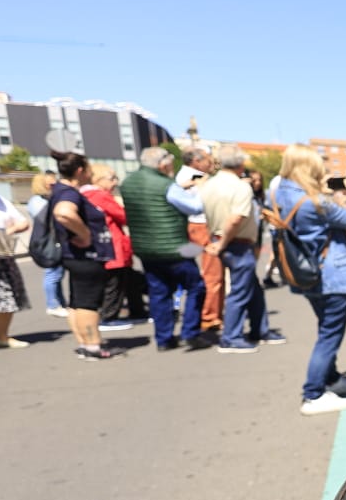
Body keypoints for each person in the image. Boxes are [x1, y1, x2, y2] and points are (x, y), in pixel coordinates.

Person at [271, 143, 346, 414]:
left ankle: (331, 379)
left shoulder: (279, 195)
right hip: (333, 275)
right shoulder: (315, 202)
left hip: (307, 274)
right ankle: (313, 393)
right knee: (329, 335)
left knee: (325, 329)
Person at [121, 146, 212, 352]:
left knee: (159, 292)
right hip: (173, 247)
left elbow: (154, 201)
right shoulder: (166, 185)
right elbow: (195, 207)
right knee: (196, 286)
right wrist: (202, 188)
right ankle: (190, 332)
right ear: (163, 164)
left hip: (146, 248)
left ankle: (164, 338)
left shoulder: (129, 183)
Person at [201, 144, 282, 353]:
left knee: (252, 289)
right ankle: (231, 337)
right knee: (239, 292)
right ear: (240, 164)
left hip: (224, 239)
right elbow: (236, 218)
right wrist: (223, 242)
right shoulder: (240, 187)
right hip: (235, 243)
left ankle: (259, 329)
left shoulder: (209, 184)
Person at [49, 150, 124, 360]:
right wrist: (86, 235)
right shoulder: (69, 193)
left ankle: (84, 343)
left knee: (77, 301)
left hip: (75, 256)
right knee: (88, 303)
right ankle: (93, 346)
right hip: (86, 256)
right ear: (81, 170)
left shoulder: (60, 190)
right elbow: (64, 213)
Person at [82, 166, 146, 329]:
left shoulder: (85, 195)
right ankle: (109, 317)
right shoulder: (100, 196)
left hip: (102, 245)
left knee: (126, 281)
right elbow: (124, 216)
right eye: (112, 178)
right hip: (113, 245)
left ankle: (137, 311)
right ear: (98, 180)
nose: (115, 182)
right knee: (115, 284)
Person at [0, 173, 32, 349]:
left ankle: (1, 336)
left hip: (0, 254)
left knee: (7, 296)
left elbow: (22, 222)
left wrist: (15, 227)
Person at [178, 146, 223, 332]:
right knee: (212, 273)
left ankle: (210, 313)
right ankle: (209, 316)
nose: (210, 162)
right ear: (196, 161)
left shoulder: (187, 176)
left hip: (199, 225)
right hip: (202, 225)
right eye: (206, 159)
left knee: (209, 272)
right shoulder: (193, 179)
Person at [25, 171, 67, 317]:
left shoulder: (42, 200)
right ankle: (52, 304)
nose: (54, 185)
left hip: (52, 241)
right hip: (47, 242)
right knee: (52, 273)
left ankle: (60, 302)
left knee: (57, 274)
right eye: (51, 183)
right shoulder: (38, 201)